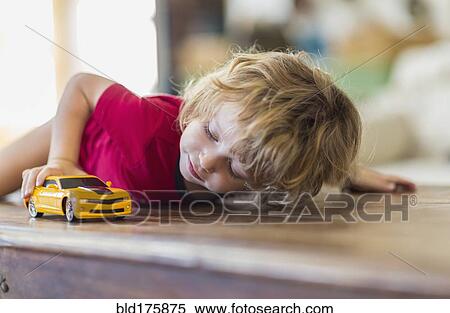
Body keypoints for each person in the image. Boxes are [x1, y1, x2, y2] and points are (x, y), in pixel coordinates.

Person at [0, 49, 416, 204]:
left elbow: (292, 173)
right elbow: (81, 87)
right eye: (213, 134)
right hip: (77, 140)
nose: (205, 160)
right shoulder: (145, 125)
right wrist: (62, 159)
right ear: (208, 101)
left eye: (235, 169)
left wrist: (345, 174)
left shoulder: (263, 162)